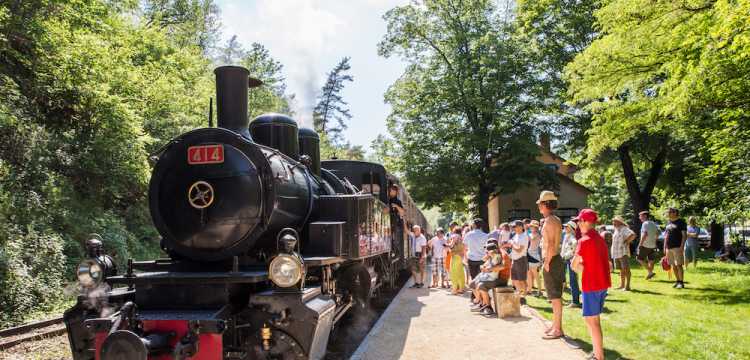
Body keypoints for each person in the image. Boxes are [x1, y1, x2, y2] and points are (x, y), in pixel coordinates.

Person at [572, 209, 611, 360]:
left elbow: (575, 266)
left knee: (592, 321)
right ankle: (597, 353)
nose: (578, 224)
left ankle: (599, 356)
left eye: (580, 221)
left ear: (587, 222)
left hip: (591, 284)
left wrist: (580, 265)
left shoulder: (584, 240)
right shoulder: (599, 238)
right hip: (602, 284)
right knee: (594, 320)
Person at [538, 191, 565, 340]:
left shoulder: (549, 221)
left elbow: (550, 245)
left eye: (540, 203)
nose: (538, 206)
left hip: (552, 260)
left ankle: (558, 329)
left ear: (545, 204)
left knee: (555, 297)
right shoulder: (555, 219)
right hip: (555, 259)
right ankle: (555, 326)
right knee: (556, 297)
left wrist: (546, 263)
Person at [469, 241, 505, 316]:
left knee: (480, 285)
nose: (486, 251)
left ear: (492, 250)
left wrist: (487, 269)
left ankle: (486, 305)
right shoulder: (491, 256)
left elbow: (500, 266)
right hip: (487, 276)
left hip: (493, 278)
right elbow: (484, 262)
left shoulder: (497, 256)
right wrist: (484, 266)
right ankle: (481, 303)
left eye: (487, 250)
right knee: (472, 284)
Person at [664, 208, 688, 288]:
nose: (668, 213)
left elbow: (684, 235)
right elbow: (666, 236)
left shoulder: (681, 222)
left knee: (679, 265)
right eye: (668, 212)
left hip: (677, 247)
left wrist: (682, 246)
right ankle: (677, 281)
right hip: (669, 248)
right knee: (673, 265)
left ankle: (681, 282)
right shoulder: (668, 222)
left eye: (670, 212)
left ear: (675, 213)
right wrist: (665, 247)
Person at [611, 216, 635, 291]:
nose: (614, 223)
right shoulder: (616, 229)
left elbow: (633, 235)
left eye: (615, 221)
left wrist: (626, 242)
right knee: (621, 270)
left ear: (620, 222)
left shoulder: (624, 228)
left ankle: (627, 286)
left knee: (626, 269)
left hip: (623, 252)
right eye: (613, 221)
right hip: (616, 253)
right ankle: (622, 285)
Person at [561, 221, 581, 307]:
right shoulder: (566, 236)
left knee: (573, 281)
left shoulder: (572, 238)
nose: (565, 228)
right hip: (566, 259)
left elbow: (573, 249)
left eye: (567, 226)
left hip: (570, 260)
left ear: (572, 228)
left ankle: (575, 301)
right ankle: (574, 300)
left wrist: (565, 256)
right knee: (570, 280)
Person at [510, 220, 529, 305]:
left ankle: (524, 298)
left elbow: (519, 249)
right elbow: (514, 247)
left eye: (515, 226)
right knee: (514, 279)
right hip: (514, 259)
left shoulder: (524, 236)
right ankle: (519, 295)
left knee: (522, 280)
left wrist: (512, 244)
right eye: (513, 227)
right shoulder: (516, 235)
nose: (514, 228)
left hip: (521, 259)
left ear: (521, 227)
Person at [637, 211, 660, 279]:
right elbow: (658, 233)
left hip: (645, 245)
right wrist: (655, 242)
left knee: (639, 259)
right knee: (651, 260)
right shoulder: (653, 223)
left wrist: (640, 244)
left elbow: (645, 234)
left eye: (640, 216)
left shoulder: (645, 223)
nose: (639, 218)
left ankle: (650, 272)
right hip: (653, 245)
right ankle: (650, 275)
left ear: (645, 216)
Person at [527, 220, 543, 296]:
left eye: (532, 226)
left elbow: (531, 239)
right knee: (529, 274)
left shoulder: (537, 235)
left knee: (536, 275)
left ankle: (540, 291)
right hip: (529, 255)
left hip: (535, 256)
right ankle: (529, 290)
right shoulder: (530, 234)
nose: (530, 227)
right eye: (530, 226)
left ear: (536, 227)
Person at [448, 230, 466, 295]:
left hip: (455, 259)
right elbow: (462, 252)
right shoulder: (461, 242)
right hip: (459, 259)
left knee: (454, 274)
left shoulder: (455, 239)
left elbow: (451, 251)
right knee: (460, 274)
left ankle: (455, 289)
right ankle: (461, 289)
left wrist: (451, 248)